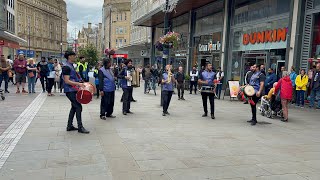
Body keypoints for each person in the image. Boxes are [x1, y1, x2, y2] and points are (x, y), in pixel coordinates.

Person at [62, 51, 89, 134]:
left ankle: (69, 126)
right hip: (70, 90)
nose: (75, 57)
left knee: (74, 107)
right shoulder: (66, 67)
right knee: (78, 107)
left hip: (73, 89)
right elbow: (66, 81)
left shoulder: (70, 65)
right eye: (74, 56)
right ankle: (80, 127)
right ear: (69, 56)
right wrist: (79, 84)